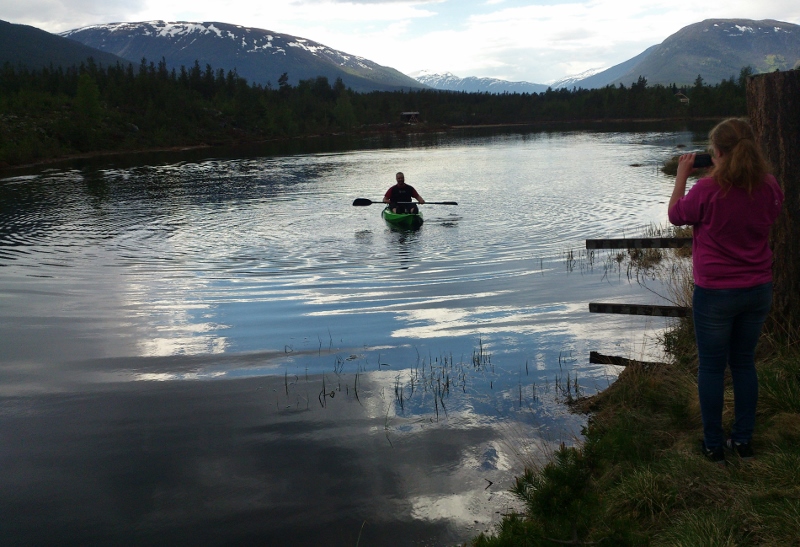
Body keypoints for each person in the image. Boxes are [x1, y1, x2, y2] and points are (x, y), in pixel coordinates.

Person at [668, 117, 783, 465]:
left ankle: (714, 445)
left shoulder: (707, 189)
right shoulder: (770, 185)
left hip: (716, 293)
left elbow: (675, 215)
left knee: (713, 369)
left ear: (716, 152)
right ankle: (743, 441)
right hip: (758, 288)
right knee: (745, 364)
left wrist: (682, 176)